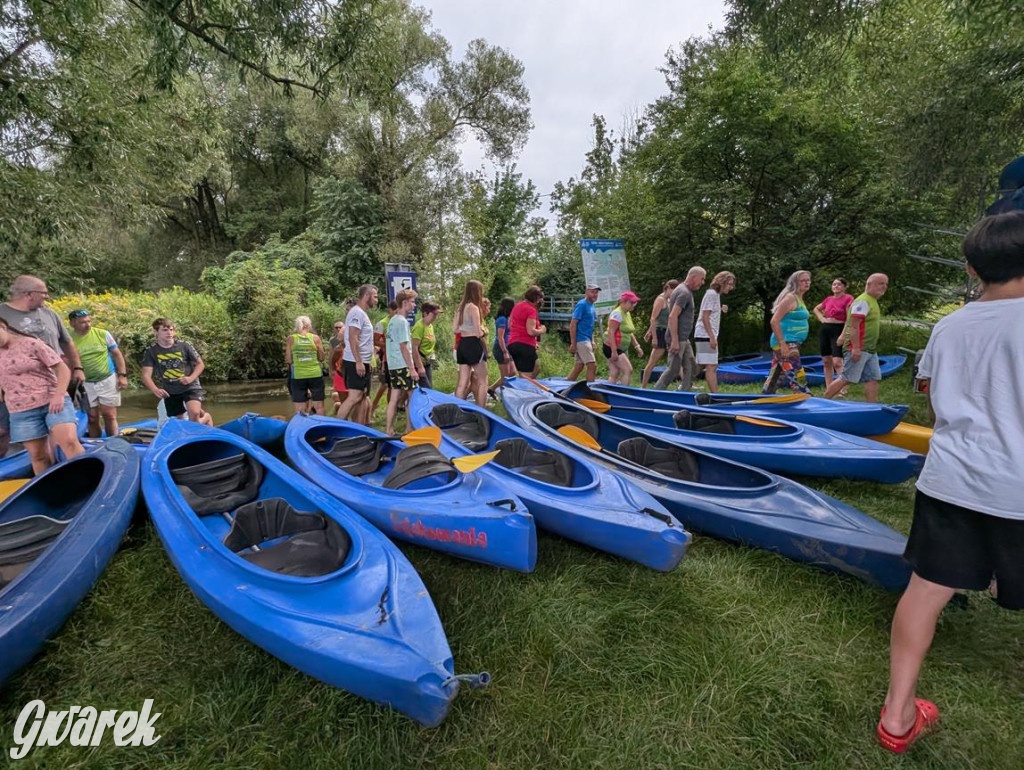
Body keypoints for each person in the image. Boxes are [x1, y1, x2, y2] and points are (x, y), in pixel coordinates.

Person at [875, 211, 1024, 754]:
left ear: (970, 267)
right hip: (1017, 487)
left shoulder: (951, 324)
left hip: (950, 481)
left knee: (926, 591)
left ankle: (897, 716)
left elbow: (935, 396)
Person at [0, 275, 84, 457]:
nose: (47, 297)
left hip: (55, 384)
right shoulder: (2, 314)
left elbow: (67, 342)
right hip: (17, 394)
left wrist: (78, 368)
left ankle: (75, 471)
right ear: (29, 294)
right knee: (12, 437)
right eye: (44, 293)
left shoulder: (49, 313)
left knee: (65, 437)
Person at [824, 273, 889, 403]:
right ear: (869, 284)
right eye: (881, 284)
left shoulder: (873, 301)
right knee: (846, 377)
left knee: (873, 378)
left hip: (870, 349)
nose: (884, 287)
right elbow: (853, 326)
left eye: (886, 284)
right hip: (857, 347)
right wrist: (856, 348)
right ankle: (822, 401)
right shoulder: (863, 301)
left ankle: (872, 408)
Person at [67, 309, 129, 437]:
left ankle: (113, 440)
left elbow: (117, 354)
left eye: (89, 321)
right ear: (72, 323)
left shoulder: (103, 334)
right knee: (92, 417)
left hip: (107, 378)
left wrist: (122, 376)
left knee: (109, 414)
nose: (88, 325)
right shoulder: (68, 339)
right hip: (85, 383)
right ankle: (95, 442)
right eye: (82, 322)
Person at [141, 318, 212, 425]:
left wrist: (190, 378)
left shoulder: (184, 345)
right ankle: (193, 429)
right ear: (156, 332)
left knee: (194, 414)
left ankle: (206, 417)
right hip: (170, 390)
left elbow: (200, 364)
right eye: (165, 330)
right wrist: (155, 390)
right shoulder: (151, 351)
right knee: (180, 422)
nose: (169, 333)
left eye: (171, 329)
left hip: (190, 386)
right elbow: (146, 375)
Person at [654, 267, 706, 391]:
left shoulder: (683, 290)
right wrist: (675, 341)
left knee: (691, 366)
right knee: (673, 369)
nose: (703, 282)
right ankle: (657, 391)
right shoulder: (684, 293)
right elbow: (672, 316)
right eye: (702, 279)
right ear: (694, 277)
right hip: (677, 338)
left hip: (683, 338)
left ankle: (685, 390)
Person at [762, 271, 812, 394]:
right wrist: (782, 343)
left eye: (808, 280)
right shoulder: (790, 298)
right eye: (803, 280)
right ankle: (803, 393)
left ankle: (767, 393)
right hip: (785, 341)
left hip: (793, 341)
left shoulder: (800, 298)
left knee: (777, 372)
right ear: (795, 283)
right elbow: (774, 321)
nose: (807, 282)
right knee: (796, 368)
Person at [337, 284, 379, 425]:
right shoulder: (357, 313)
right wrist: (359, 361)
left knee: (361, 397)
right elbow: (352, 337)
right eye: (375, 296)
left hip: (362, 361)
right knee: (354, 397)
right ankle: (335, 427)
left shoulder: (361, 313)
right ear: (366, 296)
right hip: (354, 361)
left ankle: (359, 430)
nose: (377, 300)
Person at [693, 271, 736, 393]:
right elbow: (705, 316)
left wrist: (720, 308)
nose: (731, 287)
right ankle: (716, 395)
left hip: (706, 334)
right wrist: (712, 337)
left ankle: (685, 385)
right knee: (712, 366)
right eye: (729, 284)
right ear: (721, 282)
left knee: (701, 364)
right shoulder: (711, 294)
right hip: (705, 334)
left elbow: (709, 311)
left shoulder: (715, 295)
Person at [385, 289, 421, 435]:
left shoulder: (392, 321)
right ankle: (409, 428)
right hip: (403, 365)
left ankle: (389, 429)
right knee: (412, 396)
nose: (414, 305)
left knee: (394, 398)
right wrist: (412, 369)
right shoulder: (402, 322)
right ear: (405, 303)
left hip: (393, 365)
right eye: (412, 302)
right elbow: (404, 346)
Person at [813, 278, 854, 388]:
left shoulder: (848, 299)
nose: (836, 286)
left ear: (845, 287)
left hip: (839, 329)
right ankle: (829, 387)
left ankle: (842, 388)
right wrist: (822, 318)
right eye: (834, 284)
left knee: (837, 362)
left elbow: (849, 318)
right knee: (826, 361)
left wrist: (844, 335)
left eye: (839, 284)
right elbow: (816, 309)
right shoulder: (828, 299)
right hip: (825, 329)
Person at [453, 280, 488, 405]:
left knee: (462, 382)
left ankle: (457, 409)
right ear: (477, 292)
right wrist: (484, 330)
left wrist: (465, 330)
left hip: (462, 345)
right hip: (474, 345)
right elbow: (479, 333)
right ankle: (482, 411)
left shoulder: (461, 308)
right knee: (483, 381)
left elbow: (454, 329)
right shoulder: (474, 308)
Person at [284, 315, 326, 416]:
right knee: (319, 406)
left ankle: (302, 430)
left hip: (298, 375)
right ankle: (322, 429)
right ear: (308, 325)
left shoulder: (291, 339)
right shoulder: (315, 338)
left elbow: (288, 360)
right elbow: (321, 357)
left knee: (300, 409)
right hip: (315, 374)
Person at [641, 279, 678, 388]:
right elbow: (653, 318)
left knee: (676, 357)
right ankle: (643, 386)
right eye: (674, 291)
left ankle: (686, 383)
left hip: (668, 332)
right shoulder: (660, 300)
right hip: (660, 332)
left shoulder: (669, 300)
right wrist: (654, 337)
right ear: (668, 289)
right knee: (652, 362)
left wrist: (648, 331)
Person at [603, 291, 644, 385]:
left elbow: (629, 332)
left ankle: (609, 392)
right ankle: (623, 392)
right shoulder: (617, 314)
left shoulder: (627, 313)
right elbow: (611, 332)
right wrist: (614, 351)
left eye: (634, 303)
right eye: (631, 303)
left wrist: (637, 346)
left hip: (619, 347)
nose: (633, 305)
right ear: (623, 302)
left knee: (614, 373)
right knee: (628, 370)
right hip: (612, 347)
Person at [507, 285, 547, 378]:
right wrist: (542, 330)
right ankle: (523, 389)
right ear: (536, 298)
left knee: (536, 366)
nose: (540, 301)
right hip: (524, 345)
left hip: (513, 343)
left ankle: (527, 385)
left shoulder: (517, 305)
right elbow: (531, 331)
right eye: (539, 298)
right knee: (526, 376)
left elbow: (509, 324)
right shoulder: (531, 310)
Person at [566, 284, 602, 382]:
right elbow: (573, 324)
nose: (595, 295)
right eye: (592, 292)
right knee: (592, 365)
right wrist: (573, 343)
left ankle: (567, 385)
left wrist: (592, 340)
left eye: (596, 292)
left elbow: (590, 326)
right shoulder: (582, 304)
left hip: (587, 339)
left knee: (579, 366)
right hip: (581, 339)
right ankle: (590, 389)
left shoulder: (592, 306)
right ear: (586, 292)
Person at [370, 301, 399, 416]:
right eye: (395, 312)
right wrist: (387, 344)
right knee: (385, 385)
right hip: (387, 359)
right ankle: (373, 406)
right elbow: (375, 341)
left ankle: (392, 409)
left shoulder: (399, 321)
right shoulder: (382, 324)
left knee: (393, 386)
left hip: (399, 358)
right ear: (390, 310)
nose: (397, 314)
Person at [411, 302, 441, 389]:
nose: (436, 317)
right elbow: (414, 348)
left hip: (427, 363)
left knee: (428, 388)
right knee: (427, 389)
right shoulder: (419, 327)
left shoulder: (430, 326)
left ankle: (404, 402)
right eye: (434, 314)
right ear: (425, 313)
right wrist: (419, 367)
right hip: (419, 364)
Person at [490, 297, 515, 392]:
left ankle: (492, 388)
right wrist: (505, 352)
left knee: (512, 372)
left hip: (508, 347)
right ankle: (500, 392)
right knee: (506, 374)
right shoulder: (502, 319)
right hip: (501, 348)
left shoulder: (507, 319)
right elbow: (500, 338)